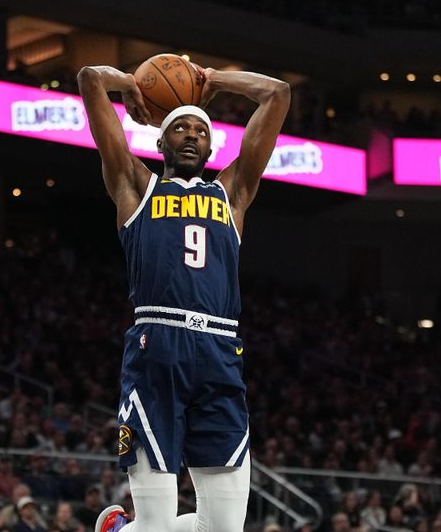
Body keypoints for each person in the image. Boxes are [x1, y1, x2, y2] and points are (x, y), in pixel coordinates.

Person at [77, 62, 290, 532]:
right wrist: (132, 85)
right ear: (160, 140)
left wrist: (213, 79)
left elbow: (277, 93)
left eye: (199, 129)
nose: (191, 135)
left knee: (224, 529)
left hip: (219, 352)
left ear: (212, 145)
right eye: (179, 128)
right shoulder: (136, 186)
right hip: (159, 347)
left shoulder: (232, 193)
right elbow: (90, 79)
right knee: (156, 524)